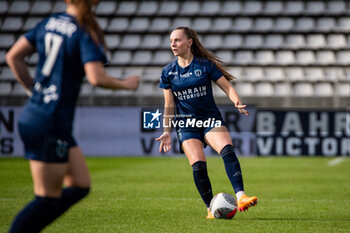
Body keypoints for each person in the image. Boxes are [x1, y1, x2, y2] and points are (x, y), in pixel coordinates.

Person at [5, 0, 139, 232]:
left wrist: (32, 90)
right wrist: (125, 85)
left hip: (43, 116)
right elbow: (96, 77)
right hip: (49, 121)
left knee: (80, 185)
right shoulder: (83, 31)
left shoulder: (48, 22)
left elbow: (13, 57)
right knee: (46, 198)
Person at [156, 27, 258, 219]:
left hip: (210, 119)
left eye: (177, 40)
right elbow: (169, 104)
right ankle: (211, 208)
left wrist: (236, 100)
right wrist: (166, 131)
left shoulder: (205, 65)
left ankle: (241, 196)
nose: (173, 44)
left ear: (189, 42)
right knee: (198, 165)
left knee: (227, 149)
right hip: (186, 124)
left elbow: (227, 87)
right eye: (171, 41)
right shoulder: (168, 72)